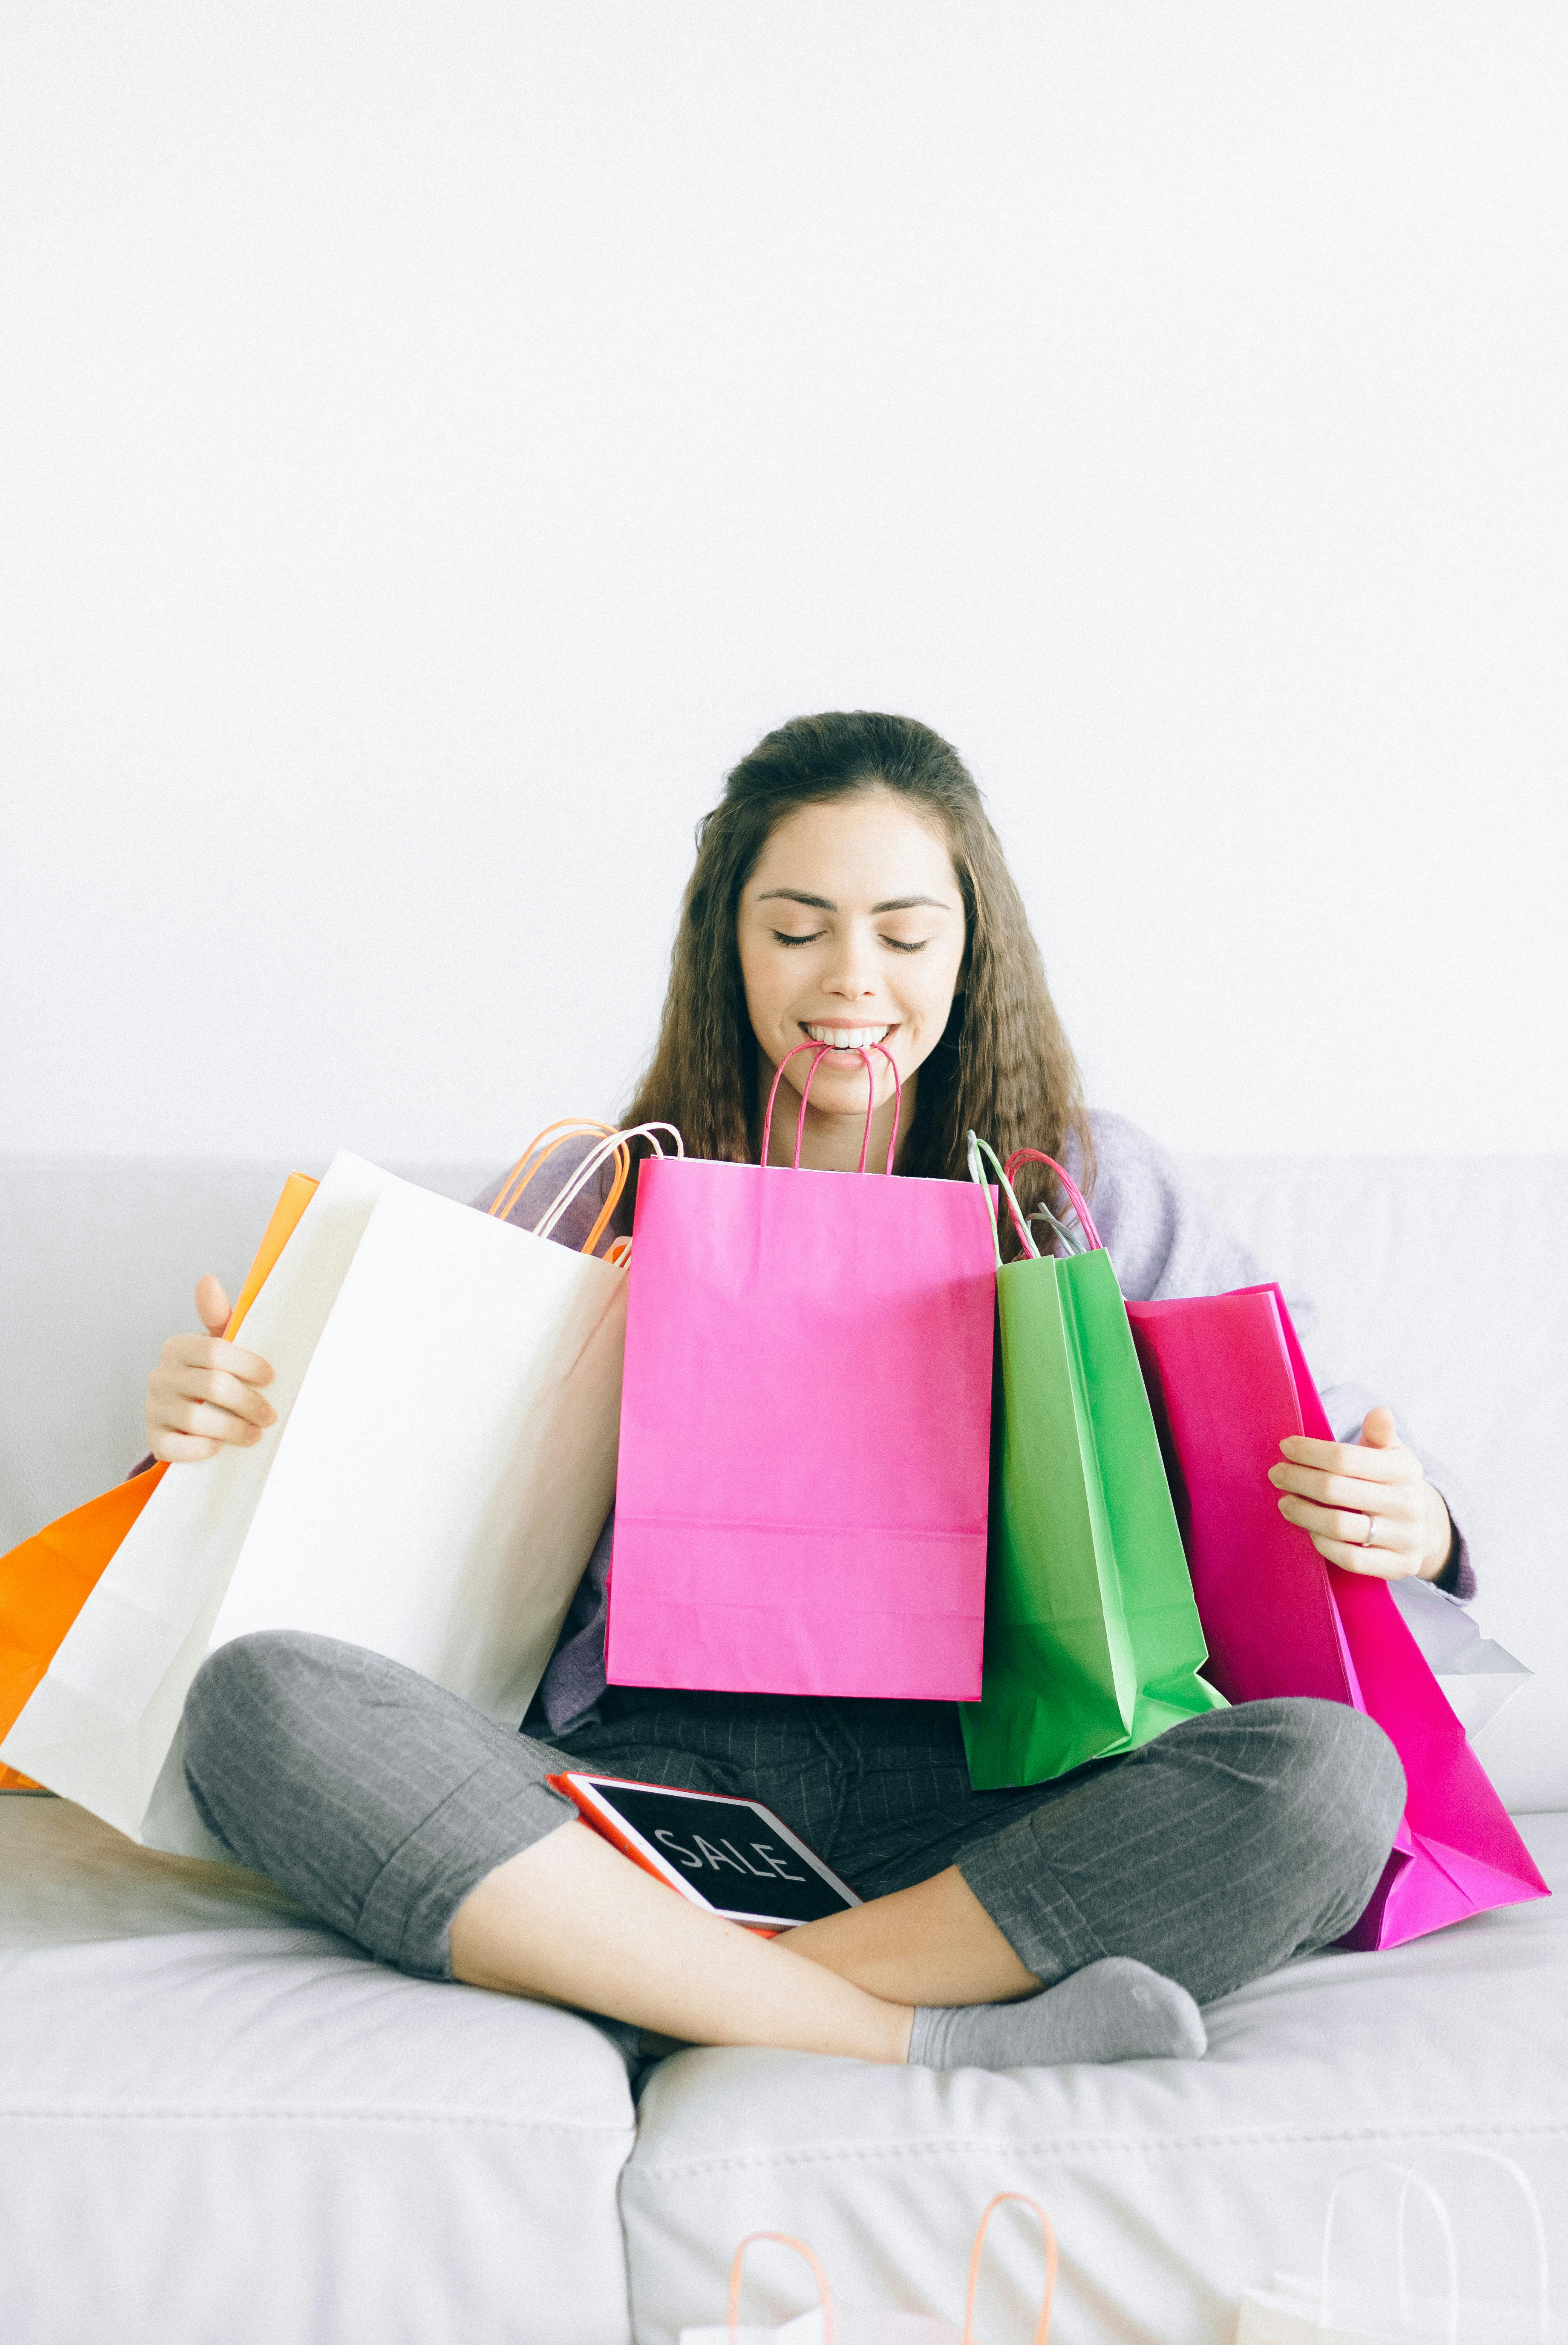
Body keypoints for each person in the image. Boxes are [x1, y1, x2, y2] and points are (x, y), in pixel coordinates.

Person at [148, 713, 1466, 2074]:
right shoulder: (603, 1187)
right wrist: (224, 1434)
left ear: (972, 947)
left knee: (1329, 1782)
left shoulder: (1076, 1183)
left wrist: (1413, 1520)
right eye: (797, 930)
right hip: (649, 1789)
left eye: (904, 935)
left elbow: (1310, 1443)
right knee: (259, 1701)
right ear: (727, 942)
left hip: (987, 1795)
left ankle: (663, 1991)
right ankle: (909, 2035)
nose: (854, 981)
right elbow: (389, 1515)